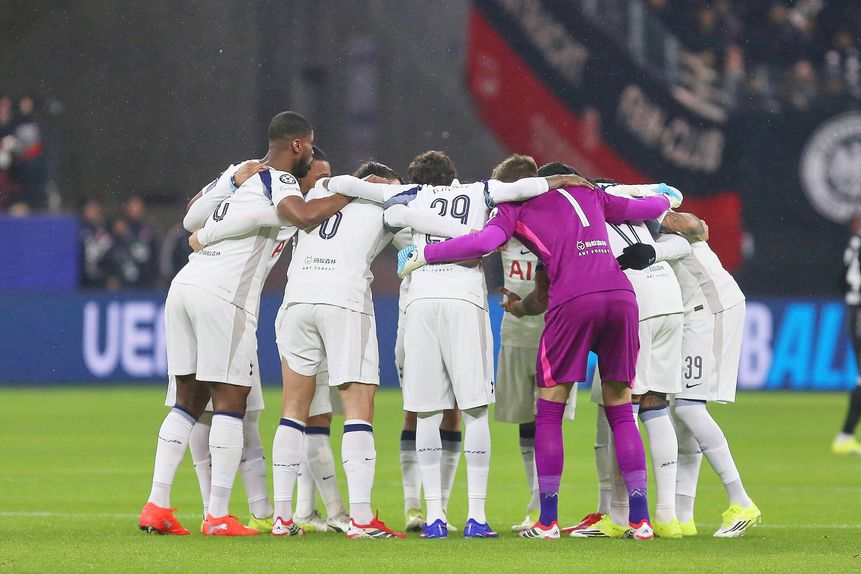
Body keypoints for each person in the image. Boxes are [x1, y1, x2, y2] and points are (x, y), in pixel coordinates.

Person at [397, 173, 679, 540]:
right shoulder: (590, 192)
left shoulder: (514, 205)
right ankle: (640, 521)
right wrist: (665, 196)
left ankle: (547, 522)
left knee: (549, 410)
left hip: (573, 300)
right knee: (622, 408)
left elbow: (484, 242)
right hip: (621, 298)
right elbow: (643, 208)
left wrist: (425, 254)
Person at [139, 111, 350, 537]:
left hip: (185, 286)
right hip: (224, 296)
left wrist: (226, 191)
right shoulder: (282, 180)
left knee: (187, 401)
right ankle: (217, 516)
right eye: (310, 147)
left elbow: (191, 219)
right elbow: (301, 215)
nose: (311, 156)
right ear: (298, 145)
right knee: (231, 403)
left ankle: (157, 505)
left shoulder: (242, 174)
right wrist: (351, 193)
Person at [656, 210, 761, 538]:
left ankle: (741, 501)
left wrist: (657, 216)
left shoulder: (650, 211)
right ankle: (683, 516)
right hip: (693, 313)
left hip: (711, 309)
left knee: (689, 407)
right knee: (680, 412)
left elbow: (696, 225)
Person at [834, 215, 861, 455]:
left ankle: (846, 435)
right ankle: (845, 436)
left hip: (854, 309)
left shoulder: (853, 244)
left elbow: (841, 279)